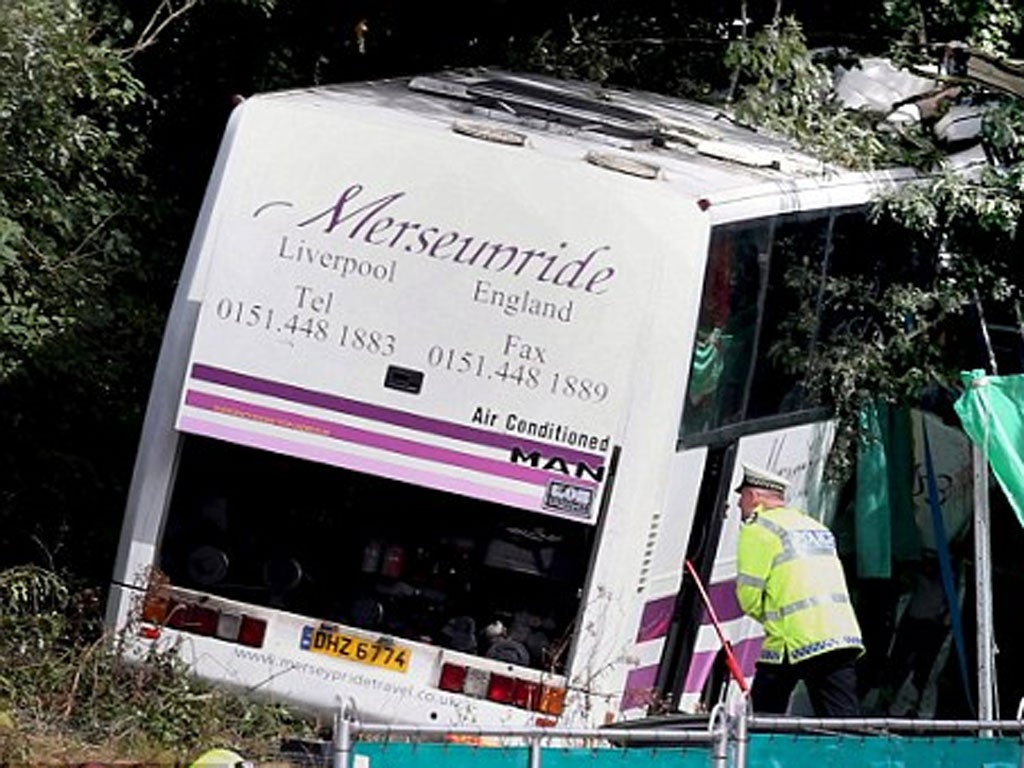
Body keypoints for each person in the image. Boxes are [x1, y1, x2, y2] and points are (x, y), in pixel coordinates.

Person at [734, 463, 864, 717]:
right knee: (845, 724)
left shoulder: (759, 529)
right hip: (841, 635)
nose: (739, 505)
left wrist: (772, 615)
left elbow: (749, 596)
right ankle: (855, 758)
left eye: (741, 498)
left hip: (793, 640)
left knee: (762, 721)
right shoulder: (815, 527)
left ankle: (763, 757)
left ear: (753, 496)